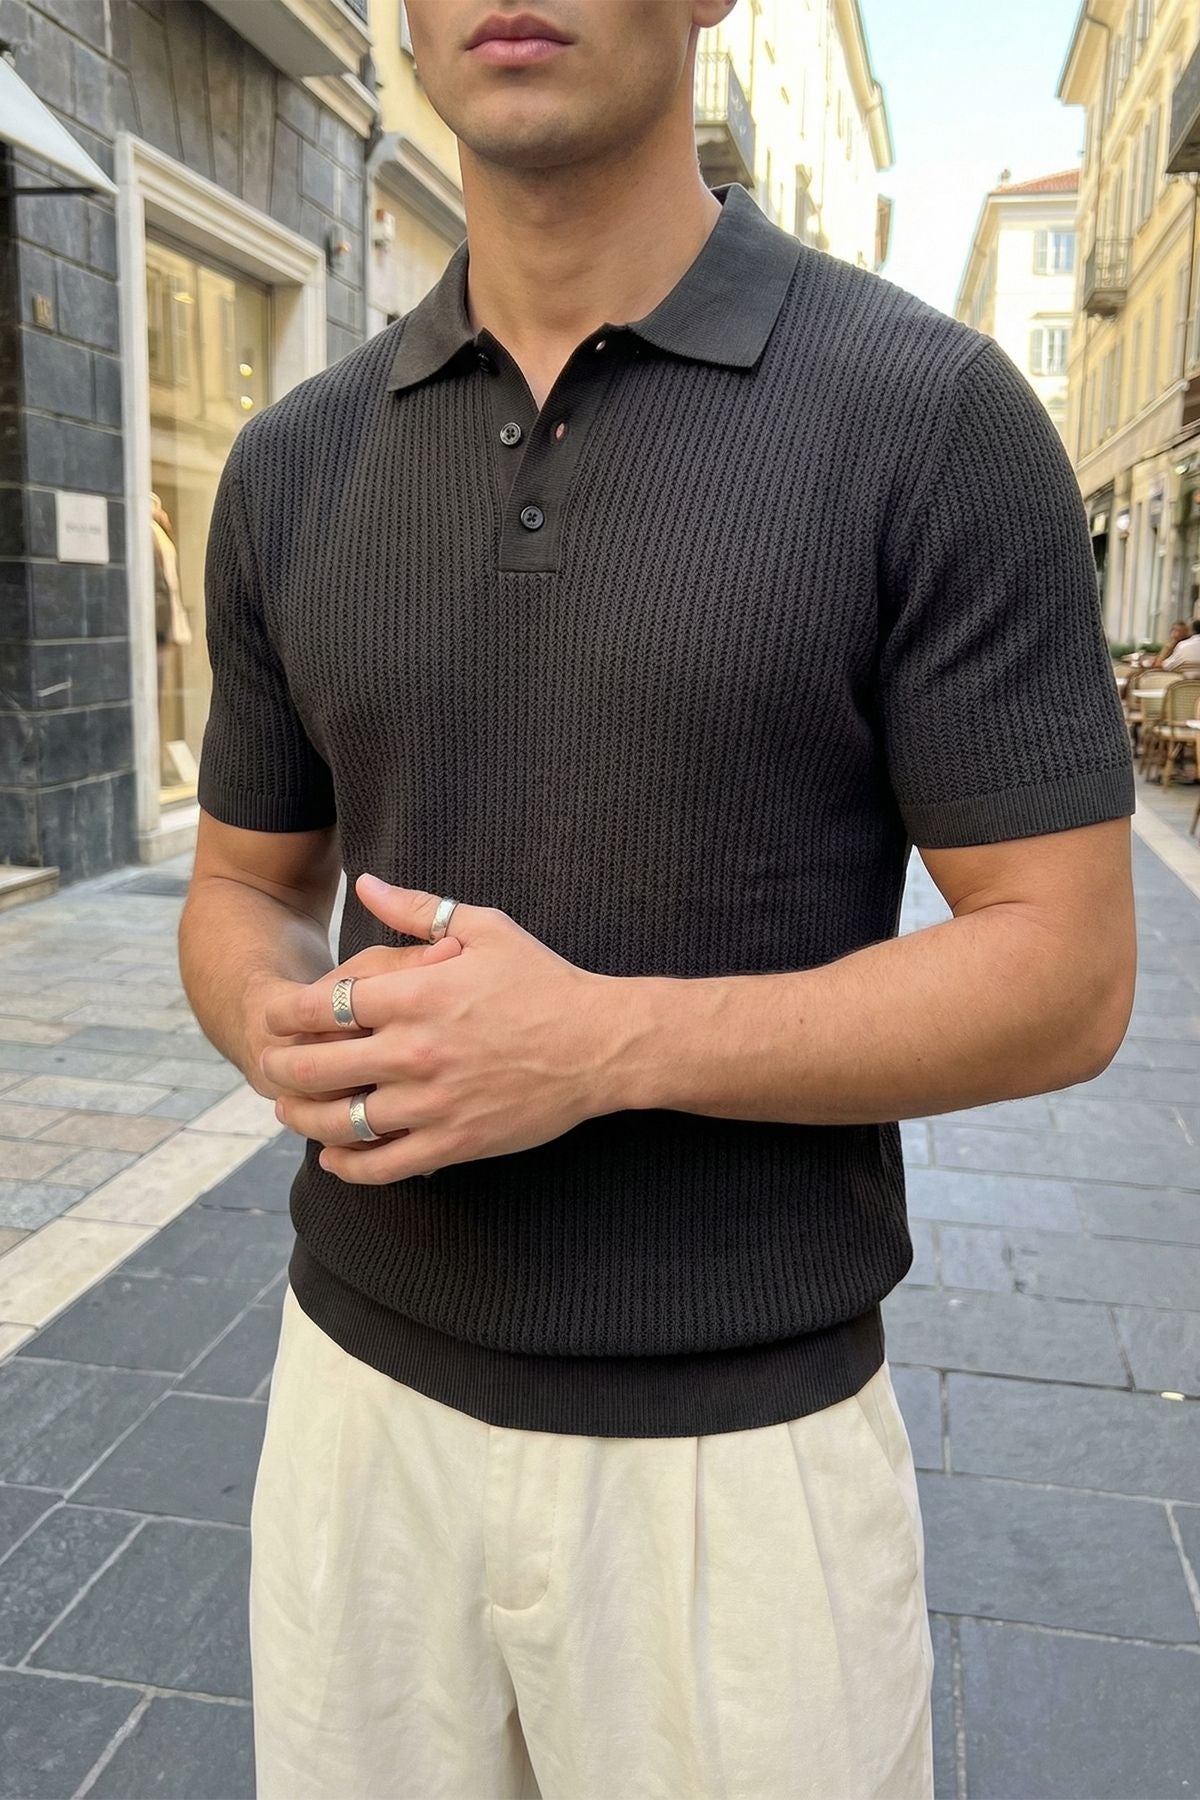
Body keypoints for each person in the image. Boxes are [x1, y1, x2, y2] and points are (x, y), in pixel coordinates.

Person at [179, 2, 1138, 1793]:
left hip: (739, 1472)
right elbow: (244, 880)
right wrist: (274, 1020)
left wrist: (603, 1046)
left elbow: (1068, 971)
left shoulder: (927, 418)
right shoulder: (293, 462)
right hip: (354, 1422)